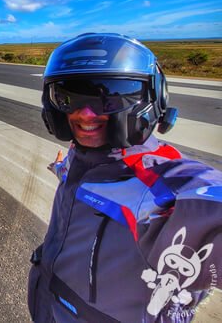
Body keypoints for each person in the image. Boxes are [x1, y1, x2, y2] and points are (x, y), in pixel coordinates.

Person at [28, 33, 221, 322]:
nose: (86, 114)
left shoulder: (161, 187)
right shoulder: (78, 161)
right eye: (69, 98)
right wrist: (62, 170)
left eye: (110, 98)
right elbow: (91, 185)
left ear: (153, 98)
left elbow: (205, 206)